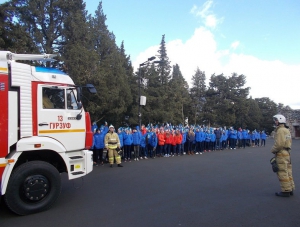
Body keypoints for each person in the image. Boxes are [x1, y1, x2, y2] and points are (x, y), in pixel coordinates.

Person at [271, 114, 294, 197]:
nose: (275, 121)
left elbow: (279, 144)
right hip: (287, 152)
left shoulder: (280, 130)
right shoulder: (286, 130)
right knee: (288, 171)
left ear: (280, 120)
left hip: (281, 152)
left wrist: (273, 150)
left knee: (282, 171)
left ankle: (286, 190)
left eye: (276, 120)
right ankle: (290, 188)